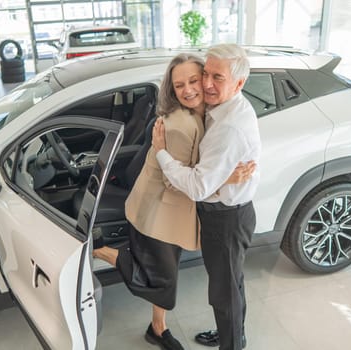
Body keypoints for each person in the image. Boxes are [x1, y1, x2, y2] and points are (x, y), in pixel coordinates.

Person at [93, 53, 254, 350]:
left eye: (196, 79)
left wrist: (221, 174)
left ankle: (158, 327)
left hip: (173, 210)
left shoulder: (213, 113)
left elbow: (203, 167)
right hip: (161, 212)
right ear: (172, 88)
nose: (192, 88)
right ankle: (102, 251)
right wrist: (226, 177)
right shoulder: (182, 124)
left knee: (176, 276)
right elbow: (182, 182)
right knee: (163, 280)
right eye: (180, 85)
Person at [152, 43, 261, 350]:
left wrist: (161, 153)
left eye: (218, 78)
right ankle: (232, 334)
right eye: (206, 74)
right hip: (233, 211)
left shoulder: (227, 128)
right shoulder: (223, 106)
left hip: (225, 219)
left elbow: (199, 186)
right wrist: (226, 176)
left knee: (224, 294)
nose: (207, 85)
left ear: (239, 83)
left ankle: (232, 344)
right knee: (231, 285)